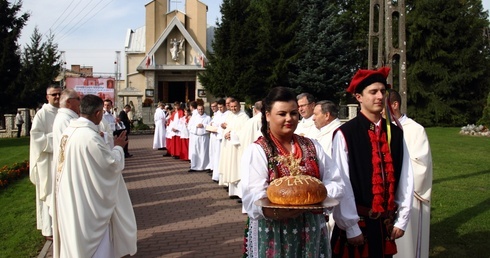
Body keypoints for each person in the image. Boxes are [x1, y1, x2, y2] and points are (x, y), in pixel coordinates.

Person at [241, 86, 345, 257]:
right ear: (267, 116)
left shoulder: (313, 146)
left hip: (312, 229)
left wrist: (314, 198)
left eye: (294, 113)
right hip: (274, 232)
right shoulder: (258, 150)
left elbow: (336, 181)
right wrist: (279, 210)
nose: (289, 119)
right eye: (282, 114)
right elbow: (252, 197)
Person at [330, 67, 414, 258]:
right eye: (373, 92)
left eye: (382, 92)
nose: (379, 96)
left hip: (385, 226)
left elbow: (406, 176)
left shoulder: (396, 133)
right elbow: (341, 180)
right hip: (358, 224)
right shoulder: (346, 134)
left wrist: (402, 220)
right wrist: (351, 227)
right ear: (359, 97)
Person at [55, 95, 137, 257]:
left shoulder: (71, 130)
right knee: (94, 247)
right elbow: (112, 165)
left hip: (70, 195)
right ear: (98, 113)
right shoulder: (90, 137)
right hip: (87, 202)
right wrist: (119, 147)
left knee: (75, 241)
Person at [387, 90, 433, 258]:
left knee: (407, 245)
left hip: (409, 192)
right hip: (386, 193)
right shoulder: (383, 128)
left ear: (394, 105)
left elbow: (421, 164)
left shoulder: (415, 130)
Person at [51, 88, 80, 257]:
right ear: (69, 102)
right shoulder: (64, 119)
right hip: (69, 173)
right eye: (78, 99)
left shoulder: (68, 117)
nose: (80, 102)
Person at [29, 85, 61, 240]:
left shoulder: (62, 112)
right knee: (48, 193)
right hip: (47, 160)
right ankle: (48, 229)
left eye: (59, 94)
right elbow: (36, 137)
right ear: (47, 96)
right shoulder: (42, 114)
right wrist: (57, 138)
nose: (57, 97)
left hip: (60, 160)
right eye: (54, 94)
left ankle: (60, 225)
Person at [218, 98, 250, 198]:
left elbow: (245, 132)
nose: (233, 108)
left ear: (240, 106)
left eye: (235, 106)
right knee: (230, 166)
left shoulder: (244, 117)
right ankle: (232, 191)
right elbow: (227, 127)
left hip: (238, 148)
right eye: (231, 107)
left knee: (237, 168)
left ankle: (239, 193)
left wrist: (232, 134)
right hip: (229, 146)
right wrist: (225, 133)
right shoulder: (230, 115)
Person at [188, 104, 211, 171]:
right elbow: (189, 127)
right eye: (199, 109)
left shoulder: (208, 118)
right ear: (197, 110)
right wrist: (196, 126)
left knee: (204, 152)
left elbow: (210, 127)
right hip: (196, 137)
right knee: (195, 151)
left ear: (203, 109)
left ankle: (204, 166)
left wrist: (203, 125)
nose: (200, 111)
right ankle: (194, 166)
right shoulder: (194, 118)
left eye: (201, 109)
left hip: (204, 137)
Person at [209, 99, 227, 182]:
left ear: (225, 106)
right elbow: (213, 122)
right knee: (217, 157)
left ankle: (222, 176)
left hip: (223, 138)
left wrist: (219, 129)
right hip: (216, 138)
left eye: (221, 107)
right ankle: (216, 175)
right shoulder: (218, 114)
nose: (220, 109)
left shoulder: (228, 114)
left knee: (222, 158)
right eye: (218, 107)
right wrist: (211, 125)